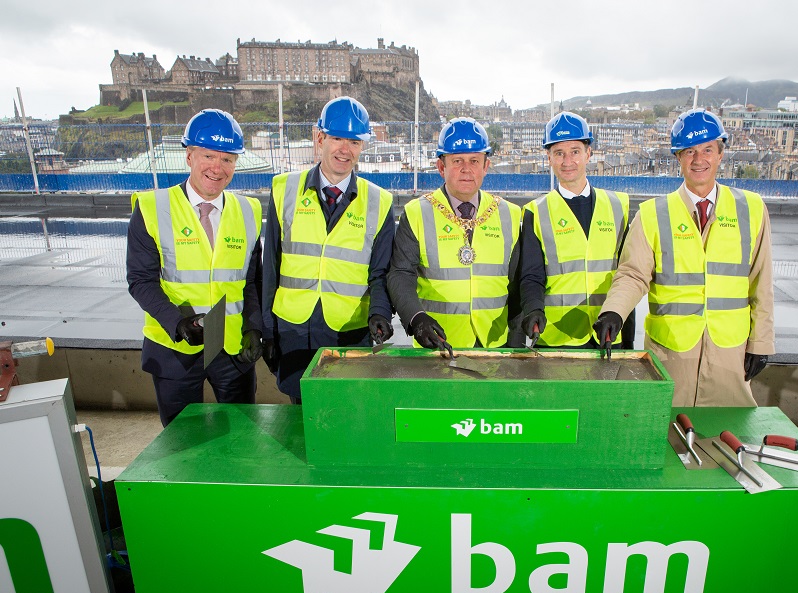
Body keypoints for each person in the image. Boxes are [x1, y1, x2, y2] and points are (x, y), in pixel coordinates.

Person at [594, 108, 774, 407]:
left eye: (707, 150)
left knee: (728, 434)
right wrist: (613, 312)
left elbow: (761, 282)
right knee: (668, 433)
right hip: (671, 351)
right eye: (689, 151)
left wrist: (761, 342)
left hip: (730, 351)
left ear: (720, 154)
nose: (698, 159)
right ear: (678, 157)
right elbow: (632, 275)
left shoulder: (752, 209)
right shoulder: (652, 214)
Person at [126, 109, 263, 426]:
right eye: (209, 156)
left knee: (241, 433)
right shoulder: (152, 208)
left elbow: (252, 281)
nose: (218, 167)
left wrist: (254, 326)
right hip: (174, 348)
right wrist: (178, 323)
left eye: (228, 159)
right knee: (182, 440)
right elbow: (141, 281)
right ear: (189, 156)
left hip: (232, 348)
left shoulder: (249, 210)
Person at [261, 96, 395, 402]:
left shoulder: (379, 202)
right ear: (319, 138)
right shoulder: (284, 189)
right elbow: (270, 266)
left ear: (362, 147)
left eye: (354, 141)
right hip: (294, 329)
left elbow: (380, 274)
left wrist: (380, 314)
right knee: (299, 411)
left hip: (350, 330)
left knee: (346, 410)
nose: (344, 150)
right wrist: (267, 329)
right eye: (336, 138)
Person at [387, 117, 522, 350]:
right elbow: (400, 274)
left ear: (486, 166)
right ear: (441, 167)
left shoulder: (509, 214)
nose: (466, 169)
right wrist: (416, 317)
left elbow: (518, 282)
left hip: (495, 343)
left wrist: (517, 338)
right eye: (457, 160)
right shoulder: (417, 212)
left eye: (474, 161)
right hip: (437, 344)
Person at [517, 111, 635, 349]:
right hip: (557, 337)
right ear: (548, 158)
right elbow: (531, 276)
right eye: (559, 153)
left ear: (588, 154)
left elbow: (629, 274)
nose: (567, 161)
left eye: (575, 152)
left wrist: (627, 332)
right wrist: (533, 309)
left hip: (609, 332)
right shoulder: (535, 212)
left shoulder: (617, 207)